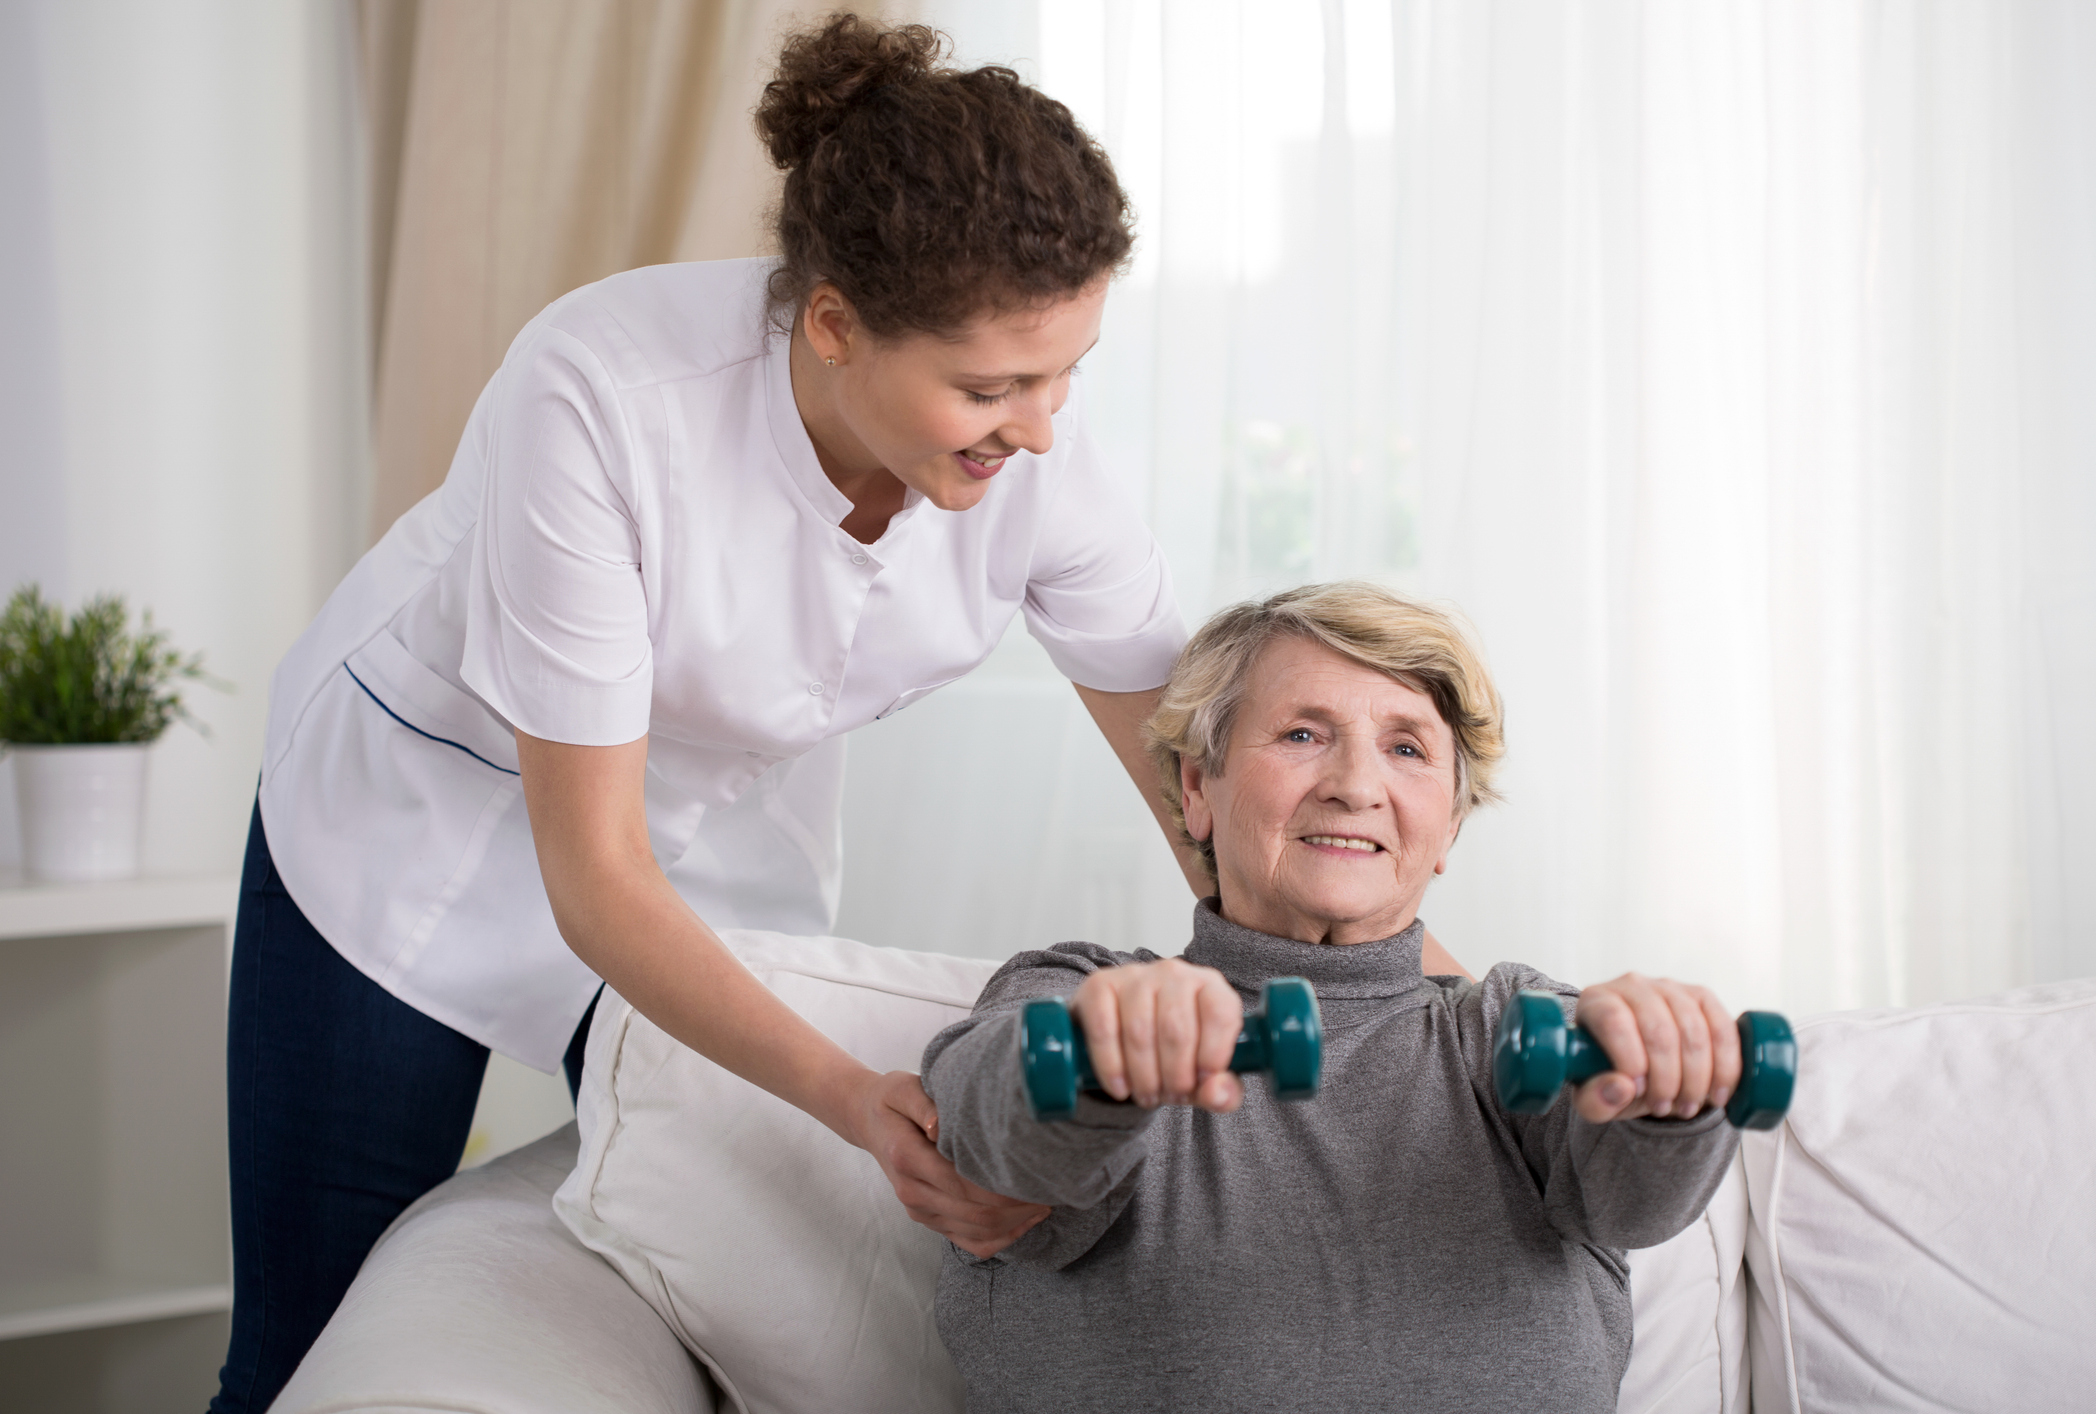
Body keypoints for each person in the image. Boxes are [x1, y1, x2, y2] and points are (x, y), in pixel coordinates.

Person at [216, 19, 1485, 1412]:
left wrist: (1457, 1018)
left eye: (1066, 371)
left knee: (714, 1273)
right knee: (304, 1336)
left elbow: (1209, 788)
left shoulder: (1038, 458)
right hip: (424, 832)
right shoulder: (599, 396)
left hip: (714, 849)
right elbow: (596, 876)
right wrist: (847, 1095)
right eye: (990, 388)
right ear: (833, 325)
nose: (1040, 428)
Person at [922, 582, 1742, 1412]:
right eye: (1302, 735)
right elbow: (990, 1124)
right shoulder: (1072, 992)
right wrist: (1102, 1060)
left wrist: (1670, 1094)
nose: (1355, 785)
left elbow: (1636, 1198)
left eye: (1407, 749)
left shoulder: (1511, 1026)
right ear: (1197, 788)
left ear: (1449, 825)